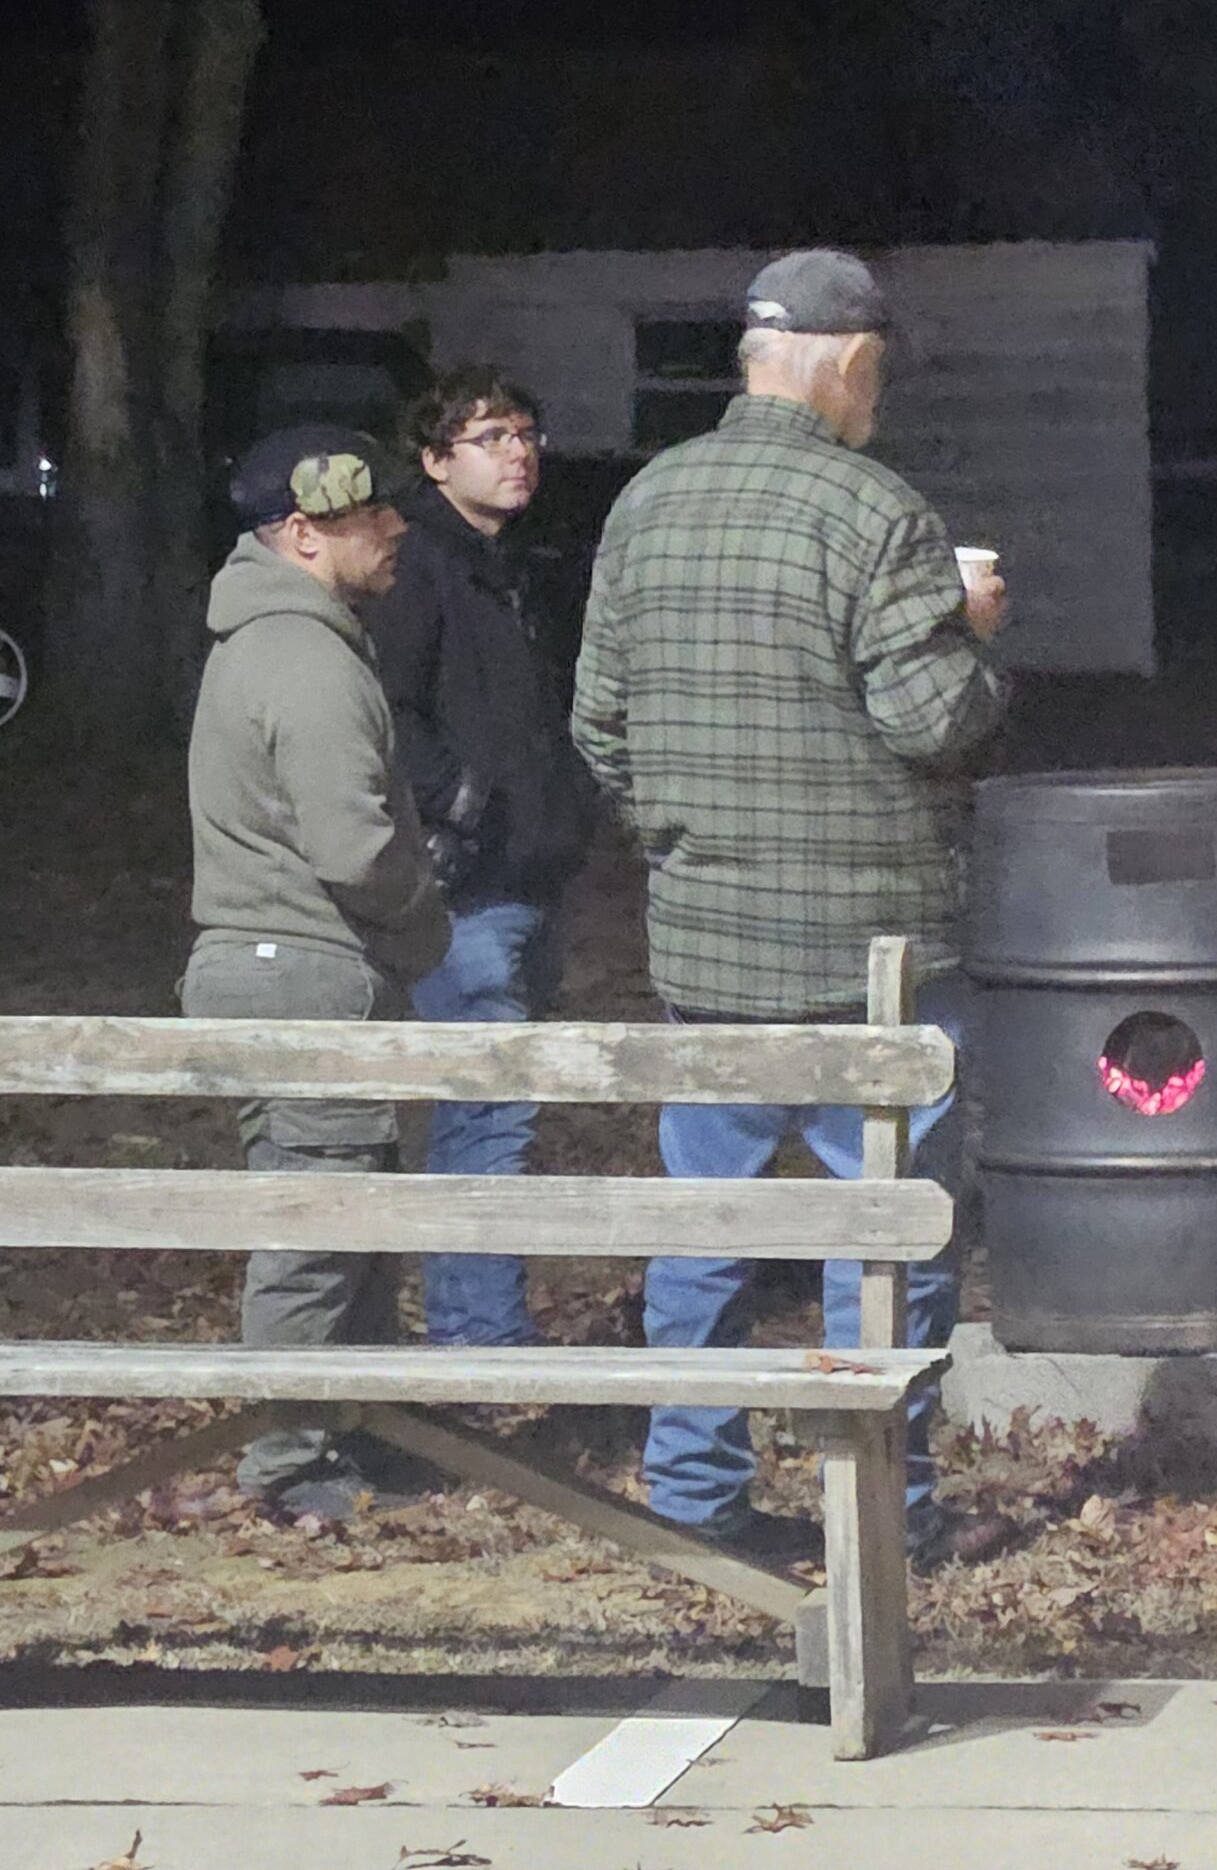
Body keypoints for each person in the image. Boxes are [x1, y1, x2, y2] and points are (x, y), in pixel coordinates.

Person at [572, 248, 1010, 1568]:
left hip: (708, 948)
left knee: (706, 1232)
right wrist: (971, 628)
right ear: (850, 361)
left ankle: (692, 1495)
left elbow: (599, 725)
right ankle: (884, 1509)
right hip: (871, 961)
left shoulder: (647, 502)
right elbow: (932, 721)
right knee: (884, 1242)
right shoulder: (878, 512)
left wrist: (683, 842)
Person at [182, 425, 452, 1521]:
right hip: (307, 973)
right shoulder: (306, 658)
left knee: (349, 1225)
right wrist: (427, 913)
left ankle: (356, 1435)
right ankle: (290, 1462)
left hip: (270, 963)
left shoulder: (273, 640)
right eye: (368, 515)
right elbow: (352, 850)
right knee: (318, 1230)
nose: (394, 529)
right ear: (301, 535)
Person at [364, 364, 595, 1348]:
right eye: (491, 437)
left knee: (500, 1108)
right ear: (435, 459)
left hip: (530, 869)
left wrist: (565, 805)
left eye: (526, 434)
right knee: (486, 1113)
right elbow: (385, 708)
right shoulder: (417, 563)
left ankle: (479, 1326)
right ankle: (479, 1338)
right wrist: (459, 806)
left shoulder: (516, 565)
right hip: (466, 885)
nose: (518, 454)